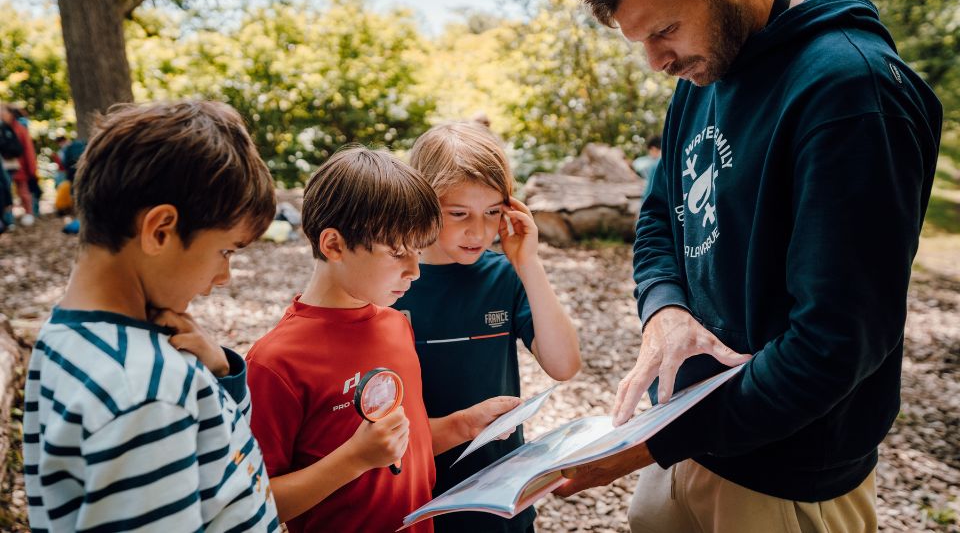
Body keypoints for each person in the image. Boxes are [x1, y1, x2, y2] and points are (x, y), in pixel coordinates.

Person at [558, 0, 943, 531]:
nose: (656, 61)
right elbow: (659, 218)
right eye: (641, 40)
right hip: (686, 442)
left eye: (665, 30)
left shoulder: (851, 91)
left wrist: (652, 443)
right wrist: (663, 309)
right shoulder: (703, 71)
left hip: (785, 480)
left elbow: (835, 343)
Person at [22, 101, 281, 532]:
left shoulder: (68, 338)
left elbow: (220, 450)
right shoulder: (146, 389)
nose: (224, 276)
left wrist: (219, 372)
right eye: (225, 251)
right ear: (160, 229)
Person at [245, 146, 522, 533]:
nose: (415, 271)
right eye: (397, 253)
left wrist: (463, 426)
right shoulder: (275, 362)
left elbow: (399, 444)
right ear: (334, 245)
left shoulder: (395, 325)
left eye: (418, 252)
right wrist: (353, 460)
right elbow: (254, 501)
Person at [394, 121, 582, 533]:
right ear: (421, 204)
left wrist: (528, 263)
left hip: (498, 495)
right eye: (459, 214)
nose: (478, 231)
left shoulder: (505, 276)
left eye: (493, 212)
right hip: (414, 494)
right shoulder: (390, 283)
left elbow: (564, 364)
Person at [0, 105, 35, 225]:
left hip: (18, 166)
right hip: (7, 166)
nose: (1, 114)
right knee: (6, 192)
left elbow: (28, 150)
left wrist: (31, 168)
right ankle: (9, 220)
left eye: (3, 111)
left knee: (23, 191)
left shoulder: (19, 128)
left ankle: (29, 214)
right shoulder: (5, 127)